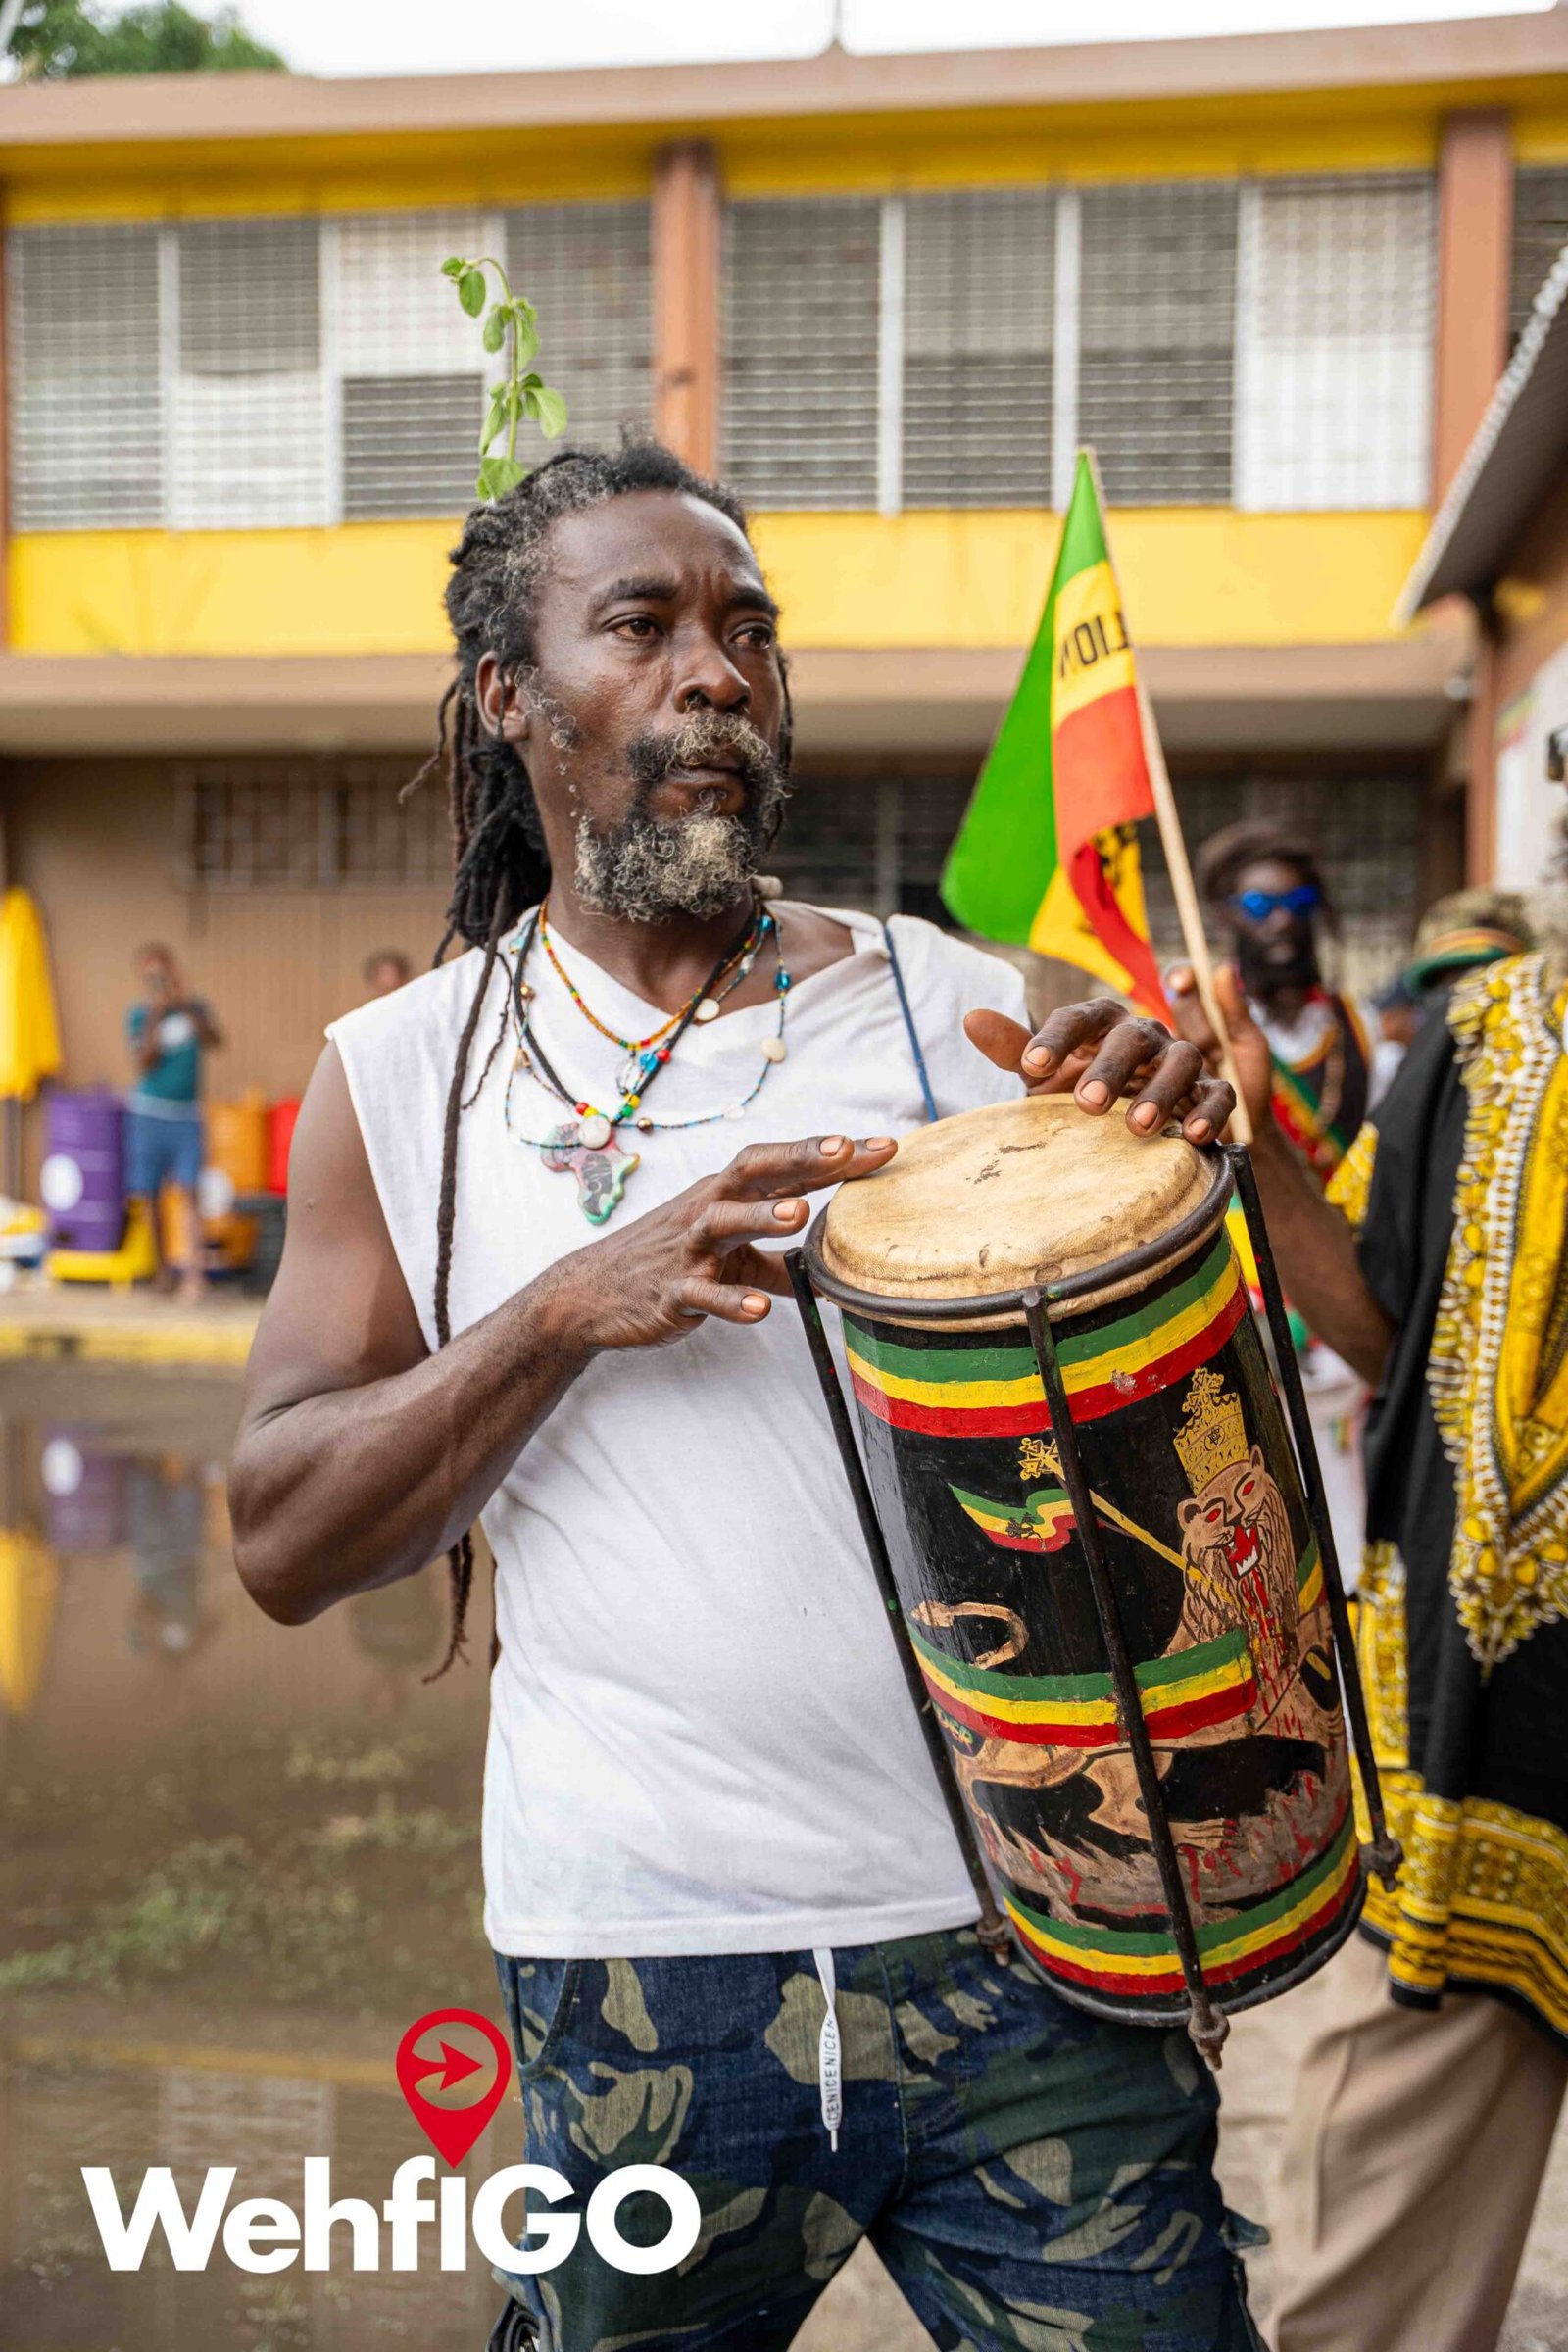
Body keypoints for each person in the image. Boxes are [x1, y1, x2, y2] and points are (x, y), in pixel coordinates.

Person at [228, 439, 1254, 2352]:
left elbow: (1191, 1426)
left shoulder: (956, 1011)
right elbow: (282, 1538)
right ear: (509, 697)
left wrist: (1194, 1148)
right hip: (647, 1972)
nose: (717, 671)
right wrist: (560, 1312)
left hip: (1036, 1934)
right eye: (644, 626)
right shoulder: (403, 1078)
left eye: (748, 630)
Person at [1033, 855, 1568, 2351]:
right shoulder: (1487, 1035)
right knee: (1374, 2288)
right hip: (1492, 1752)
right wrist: (1248, 1137)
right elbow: (1387, 1328)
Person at [1198, 820, 1386, 1586]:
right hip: (1240, 1285)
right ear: (1224, 916)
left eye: (1297, 902)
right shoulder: (1203, 1037)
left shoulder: (1357, 1029)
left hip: (1341, 1279)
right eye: (1259, 904)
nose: (1281, 920)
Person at [123, 944, 222, 1305]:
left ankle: (194, 1276)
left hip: (187, 1115)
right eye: (151, 976)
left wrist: (185, 1006)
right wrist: (157, 1014)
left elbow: (215, 1040)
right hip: (149, 1114)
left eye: (163, 973)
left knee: (189, 1191)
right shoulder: (139, 1015)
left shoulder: (194, 1009)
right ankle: (162, 1270)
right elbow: (144, 1061)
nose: (160, 981)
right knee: (150, 1194)